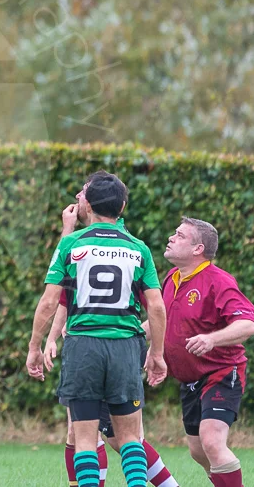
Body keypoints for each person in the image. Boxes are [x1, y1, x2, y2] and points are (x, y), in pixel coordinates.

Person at [27, 172, 168, 487]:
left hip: (83, 346)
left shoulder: (70, 244)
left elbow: (50, 302)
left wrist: (35, 346)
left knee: (86, 439)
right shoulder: (138, 248)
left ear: (87, 204)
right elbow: (157, 307)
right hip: (125, 347)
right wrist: (156, 353)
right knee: (131, 438)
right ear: (122, 207)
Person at [160, 218, 254, 487]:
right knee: (198, 450)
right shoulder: (172, 278)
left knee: (212, 440)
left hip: (222, 372)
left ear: (197, 248)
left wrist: (212, 340)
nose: (171, 237)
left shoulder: (219, 281)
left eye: (179, 235)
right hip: (190, 379)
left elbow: (247, 325)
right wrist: (148, 345)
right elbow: (163, 320)